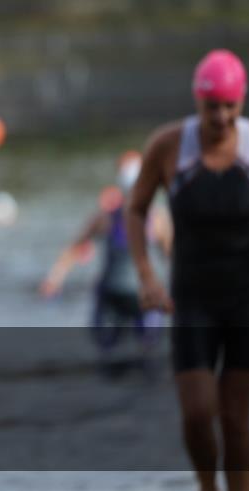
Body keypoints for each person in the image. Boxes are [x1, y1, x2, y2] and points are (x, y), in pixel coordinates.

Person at [125, 49, 249, 491]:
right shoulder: (167, 146)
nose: (220, 116)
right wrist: (146, 275)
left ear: (241, 102)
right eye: (210, 106)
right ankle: (207, 486)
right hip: (193, 297)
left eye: (229, 106)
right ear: (196, 102)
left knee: (235, 418)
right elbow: (136, 209)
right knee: (199, 414)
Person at [40, 151, 170, 371]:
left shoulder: (109, 218)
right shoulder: (151, 219)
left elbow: (73, 250)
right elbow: (174, 258)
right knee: (143, 356)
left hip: (124, 295)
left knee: (117, 357)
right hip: (128, 296)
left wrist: (54, 279)